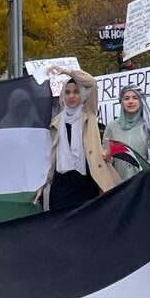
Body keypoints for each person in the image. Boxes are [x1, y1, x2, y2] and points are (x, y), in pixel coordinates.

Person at [40, 70, 120, 212]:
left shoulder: (89, 113)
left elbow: (91, 83)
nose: (71, 96)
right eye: (67, 92)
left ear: (82, 95)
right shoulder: (55, 123)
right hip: (61, 184)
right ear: (62, 96)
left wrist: (66, 71)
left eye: (76, 92)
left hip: (86, 182)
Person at [103, 86, 150, 180]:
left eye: (135, 98)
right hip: (117, 182)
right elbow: (105, 153)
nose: (130, 101)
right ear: (121, 102)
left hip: (142, 182)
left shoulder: (149, 127)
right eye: (126, 98)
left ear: (141, 101)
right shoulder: (112, 126)